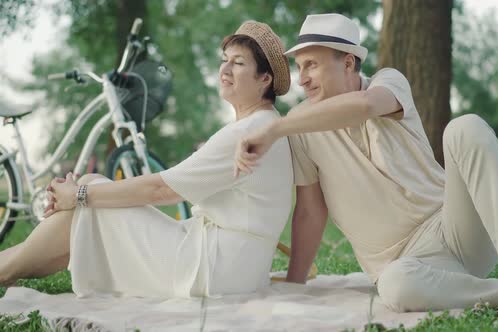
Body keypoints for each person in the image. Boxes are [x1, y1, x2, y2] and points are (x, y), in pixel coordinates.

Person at [233, 13, 498, 323]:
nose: (303, 79)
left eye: (311, 64)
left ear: (348, 63)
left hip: (453, 228)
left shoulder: (388, 82)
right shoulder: (300, 126)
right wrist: (295, 286)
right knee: (396, 287)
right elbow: (310, 210)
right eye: (299, 67)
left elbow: (366, 105)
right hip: (404, 267)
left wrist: (275, 128)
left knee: (465, 127)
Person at [0, 20, 293, 298]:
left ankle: (5, 268)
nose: (225, 68)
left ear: (265, 78)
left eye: (239, 62)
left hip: (211, 270)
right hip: (234, 269)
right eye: (224, 59)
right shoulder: (266, 124)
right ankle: (7, 268)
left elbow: (162, 189)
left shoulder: (247, 133)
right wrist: (79, 196)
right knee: (86, 204)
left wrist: (77, 195)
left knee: (87, 194)